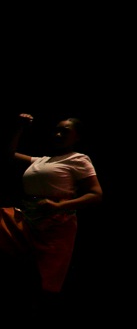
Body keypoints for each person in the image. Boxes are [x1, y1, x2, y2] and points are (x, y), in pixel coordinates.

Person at [1, 114, 102, 295]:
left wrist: (58, 206)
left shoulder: (78, 159)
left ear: (77, 137)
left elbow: (96, 194)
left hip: (54, 223)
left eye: (65, 132)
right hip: (29, 215)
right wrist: (19, 128)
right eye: (56, 131)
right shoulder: (41, 160)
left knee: (40, 279)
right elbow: (7, 155)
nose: (58, 134)